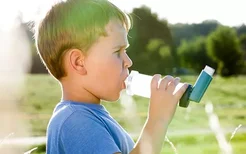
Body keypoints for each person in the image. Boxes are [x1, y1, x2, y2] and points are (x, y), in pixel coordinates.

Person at [35, 0, 188, 153]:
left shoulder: (87, 116)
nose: (128, 61)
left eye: (125, 51)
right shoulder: (75, 122)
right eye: (117, 52)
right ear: (79, 62)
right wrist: (157, 120)